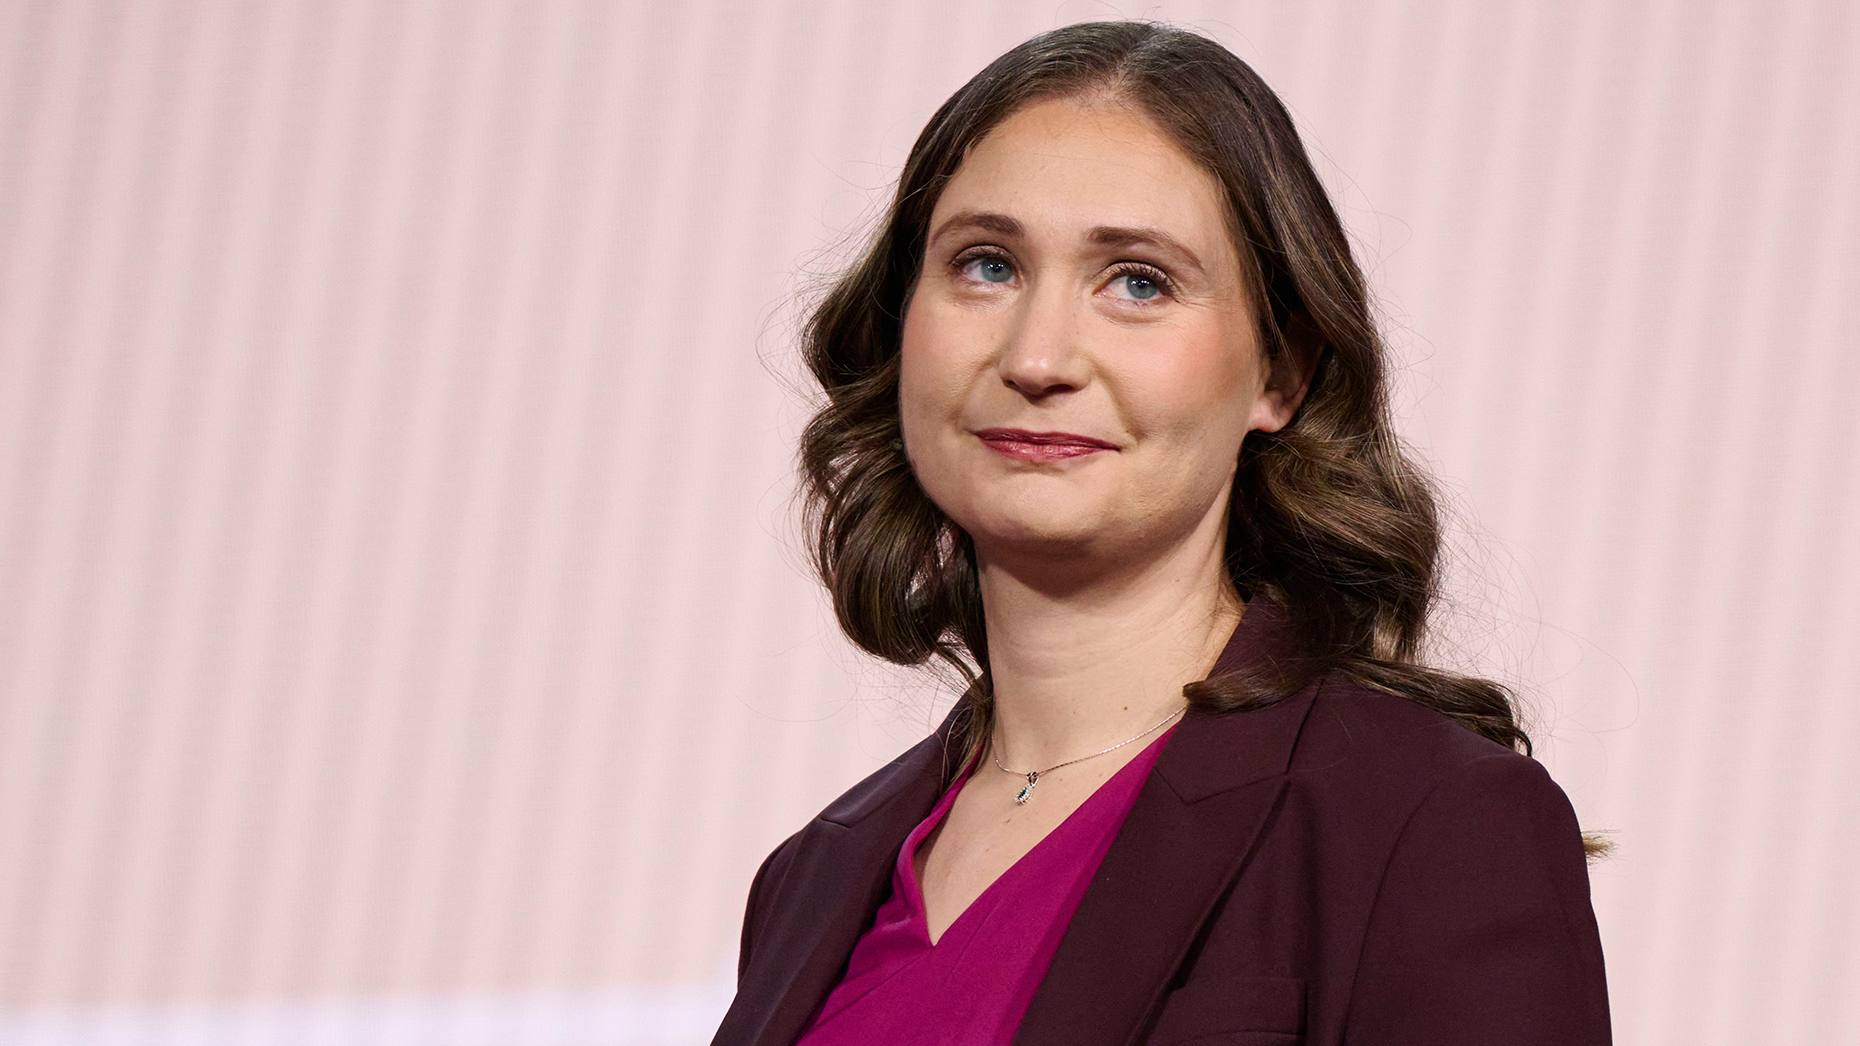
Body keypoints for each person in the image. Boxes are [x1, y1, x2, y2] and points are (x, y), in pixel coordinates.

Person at [712, 20, 1610, 1046]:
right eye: (986, 265)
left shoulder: (1431, 822)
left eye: (1138, 281)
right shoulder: (813, 875)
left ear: (1282, 370)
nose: (1038, 355)